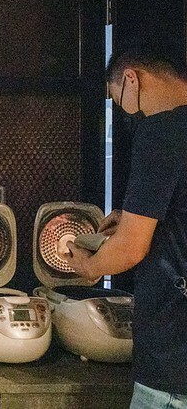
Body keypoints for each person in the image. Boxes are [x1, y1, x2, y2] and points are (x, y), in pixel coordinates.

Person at [65, 45, 187, 408]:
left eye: (117, 99)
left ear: (131, 79)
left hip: (173, 355)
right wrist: (138, 213)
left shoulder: (162, 131)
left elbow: (131, 248)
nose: (124, 112)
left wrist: (90, 267)